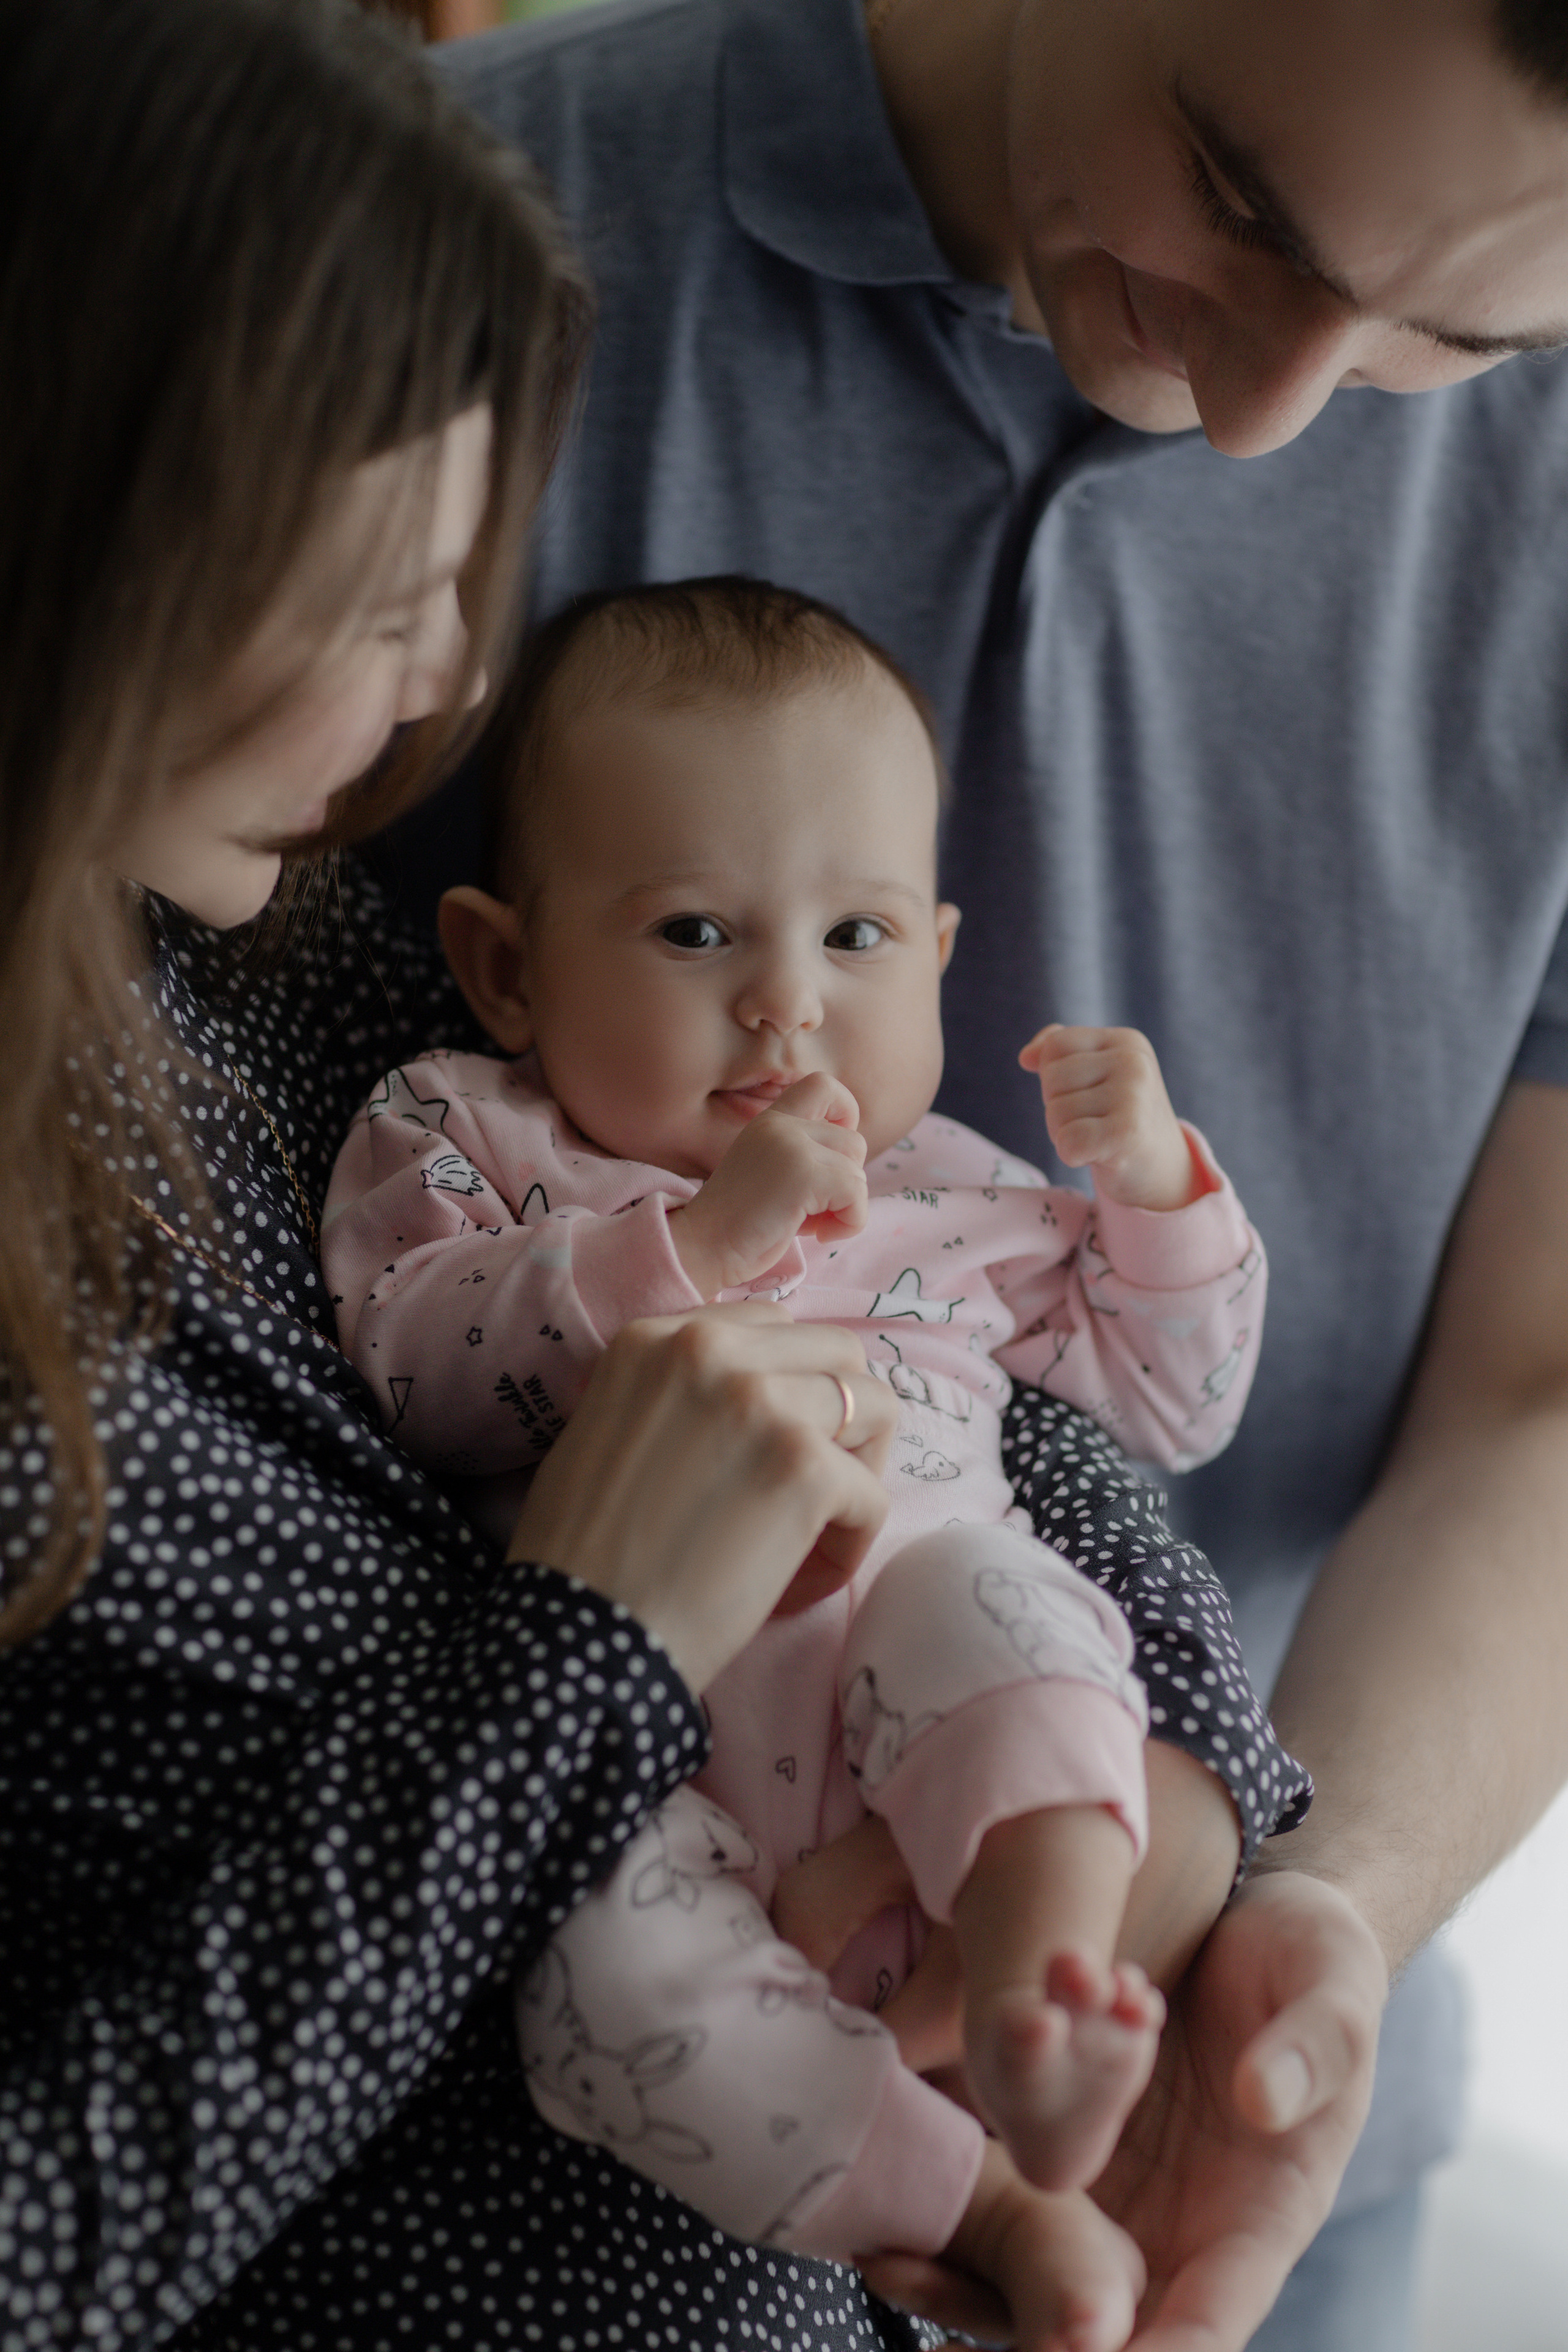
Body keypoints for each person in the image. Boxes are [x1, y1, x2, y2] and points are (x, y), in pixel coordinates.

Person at [0, 6, 1316, 2350]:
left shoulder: (245, 936)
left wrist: (1170, 1809)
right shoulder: (349, 1031)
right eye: (368, 598)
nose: (421, 707)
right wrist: (577, 1651)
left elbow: (990, 1370)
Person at [396, 0, 1568, 2344]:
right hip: (531, 2151)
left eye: (1461, 327)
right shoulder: (429, 259)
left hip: (1234, 2065)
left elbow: (1539, 1393)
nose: (1271, 413)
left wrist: (1298, 1910)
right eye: (1236, 193)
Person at [322, 576, 1275, 2331]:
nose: (788, 1008)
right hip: (643, 1770)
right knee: (597, 2000)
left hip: (940, 1738)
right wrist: (685, 1248)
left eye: (856, 939)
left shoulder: (964, 1193)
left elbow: (1172, 1400)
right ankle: (975, 2203)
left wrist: (1156, 1192)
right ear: (507, 966)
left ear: (937, 954)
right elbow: (420, 1367)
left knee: (1000, 1591)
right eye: (696, 933)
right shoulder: (471, 1131)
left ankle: (1043, 1987)